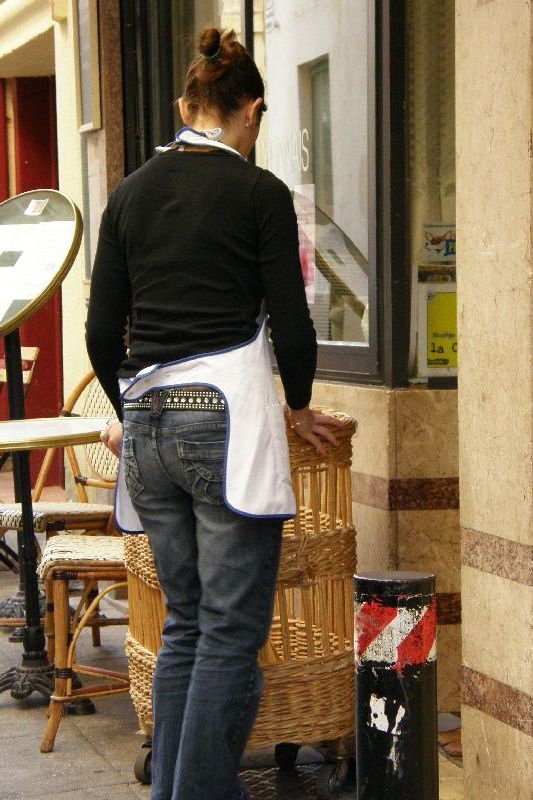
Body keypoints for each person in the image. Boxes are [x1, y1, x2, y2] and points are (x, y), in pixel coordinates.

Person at [86, 26, 342, 800]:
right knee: (230, 630)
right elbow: (291, 326)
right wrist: (299, 404)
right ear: (251, 111)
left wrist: (130, 412)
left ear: (183, 106)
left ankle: (173, 788)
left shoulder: (128, 194)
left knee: (187, 623)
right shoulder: (259, 193)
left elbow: (100, 333)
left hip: (148, 423)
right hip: (226, 418)